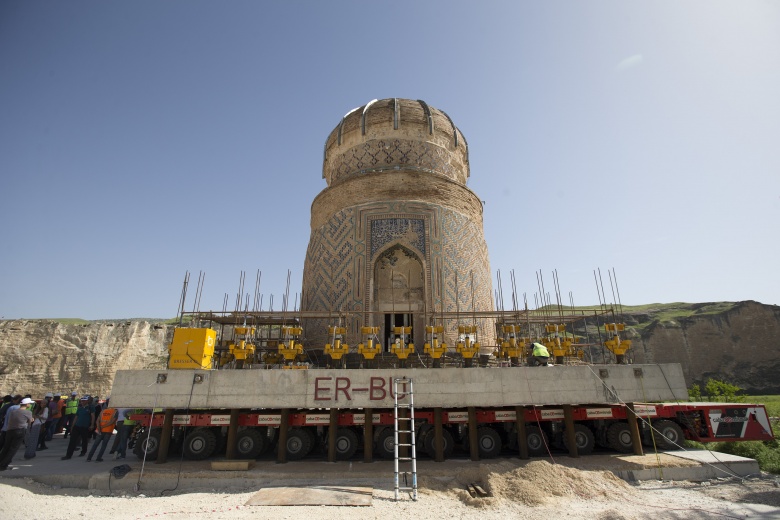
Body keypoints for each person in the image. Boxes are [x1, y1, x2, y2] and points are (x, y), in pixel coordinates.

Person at [0, 397, 34, 470]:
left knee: (6, 448)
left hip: (10, 431)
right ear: (27, 404)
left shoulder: (13, 411)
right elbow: (29, 422)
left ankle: (1, 461)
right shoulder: (28, 412)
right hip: (20, 431)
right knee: (13, 449)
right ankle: (3, 465)